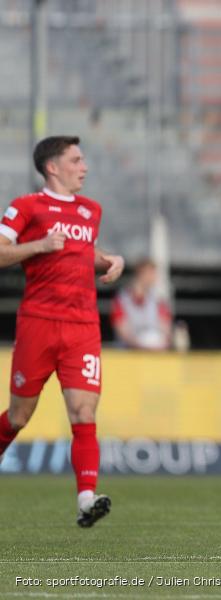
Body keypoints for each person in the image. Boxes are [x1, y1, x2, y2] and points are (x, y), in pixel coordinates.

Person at [0, 136, 124, 527]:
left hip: (82, 325)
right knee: (19, 415)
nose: (84, 167)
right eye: (76, 160)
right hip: (38, 322)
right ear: (53, 167)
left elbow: (82, 251)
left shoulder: (91, 210)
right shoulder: (25, 206)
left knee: (83, 412)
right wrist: (38, 245)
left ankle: (87, 499)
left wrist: (109, 260)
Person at [111, 258, 173, 350]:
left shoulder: (159, 300)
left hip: (155, 353)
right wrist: (141, 345)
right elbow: (122, 332)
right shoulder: (121, 300)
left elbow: (166, 330)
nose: (155, 277)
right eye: (151, 273)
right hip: (128, 354)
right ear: (141, 274)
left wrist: (161, 343)